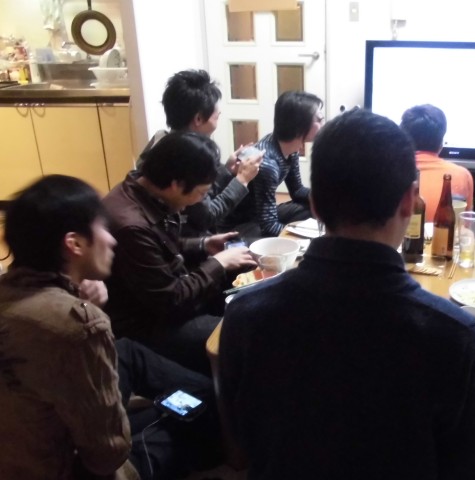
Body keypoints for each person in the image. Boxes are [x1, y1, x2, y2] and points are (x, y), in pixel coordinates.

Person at [219, 109, 475, 480]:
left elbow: (242, 436)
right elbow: (473, 465)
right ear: (409, 202)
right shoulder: (456, 335)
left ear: (314, 204)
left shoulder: (244, 313)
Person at [0, 175, 221, 480]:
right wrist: (86, 313)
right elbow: (107, 456)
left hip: (22, 445)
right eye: (102, 227)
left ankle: (197, 404)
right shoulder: (80, 325)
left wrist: (75, 297)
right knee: (186, 419)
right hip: (67, 468)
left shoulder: (13, 292)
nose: (112, 239)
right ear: (75, 244)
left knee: (129, 352)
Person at [104, 131, 257, 374]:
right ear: (176, 184)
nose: (198, 202)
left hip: (169, 296)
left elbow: (161, 245)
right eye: (201, 193)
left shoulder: (144, 190)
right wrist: (218, 263)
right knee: (244, 335)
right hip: (148, 323)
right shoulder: (131, 225)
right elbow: (170, 300)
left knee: (248, 286)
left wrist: (204, 244)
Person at [136, 69, 263, 237]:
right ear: (198, 119)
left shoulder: (163, 140)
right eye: (216, 115)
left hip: (181, 234)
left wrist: (225, 170)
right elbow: (207, 217)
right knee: (255, 230)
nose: (218, 117)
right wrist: (242, 179)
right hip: (184, 239)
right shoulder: (186, 158)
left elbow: (203, 195)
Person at [218, 90, 324, 239]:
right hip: (241, 224)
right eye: (319, 119)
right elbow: (268, 226)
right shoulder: (268, 164)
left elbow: (297, 190)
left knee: (313, 207)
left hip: (261, 214)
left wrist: (320, 196)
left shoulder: (290, 148)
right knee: (280, 243)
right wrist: (305, 238)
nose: (323, 123)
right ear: (300, 125)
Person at [400, 103, 475, 253]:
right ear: (441, 142)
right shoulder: (462, 174)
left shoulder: (392, 170)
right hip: (445, 246)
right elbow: (465, 225)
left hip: (403, 245)